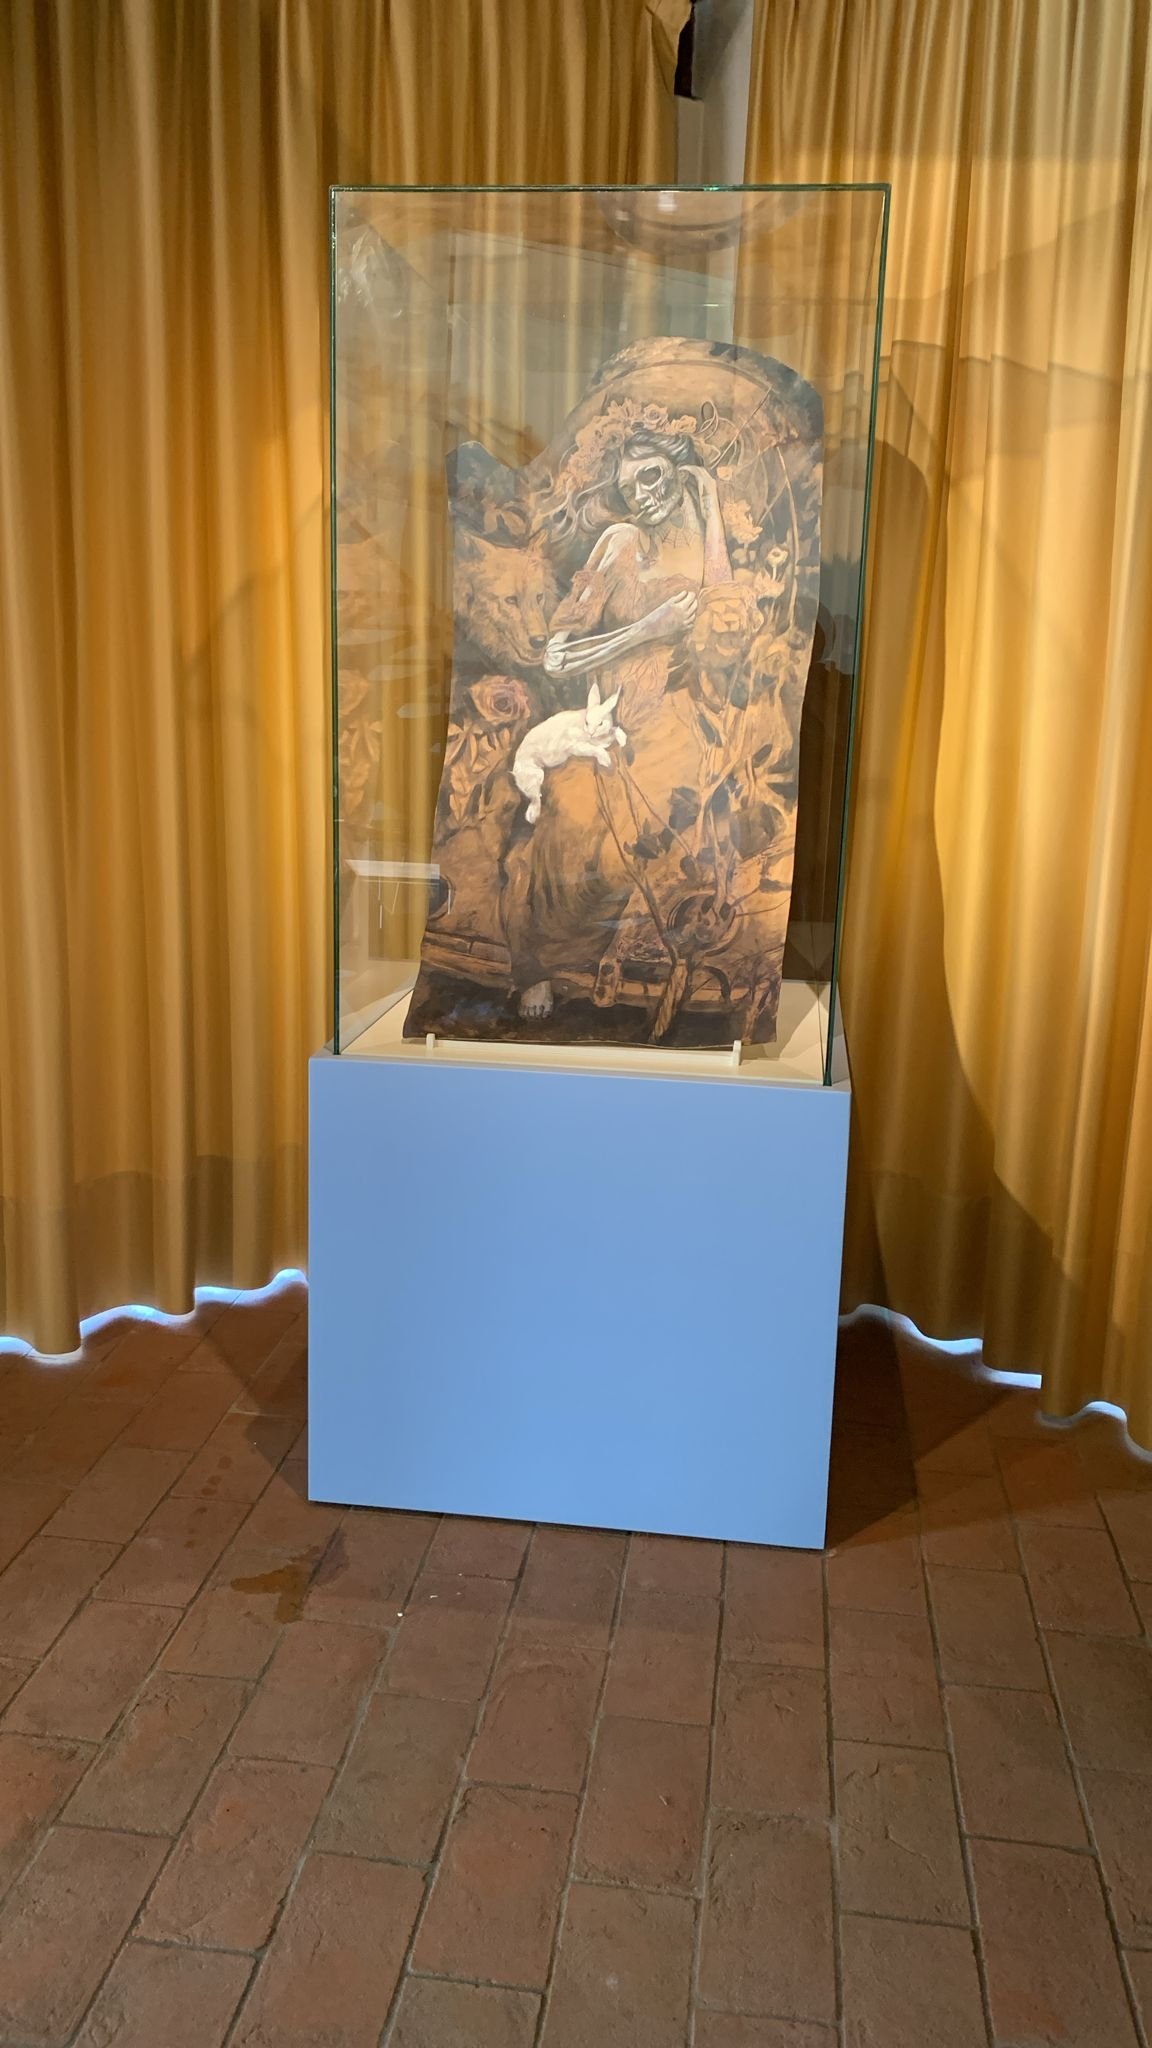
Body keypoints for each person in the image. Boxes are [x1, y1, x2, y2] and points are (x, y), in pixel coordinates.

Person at [503, 429, 734, 1023]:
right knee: (570, 821)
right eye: (628, 488)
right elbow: (556, 657)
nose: (642, 495)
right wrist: (645, 630)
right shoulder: (619, 541)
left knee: (646, 840)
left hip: (674, 722)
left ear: (679, 469)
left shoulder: (700, 537)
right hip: (602, 720)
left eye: (651, 475)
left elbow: (726, 617)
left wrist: (709, 503)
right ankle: (541, 962)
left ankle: (634, 957)